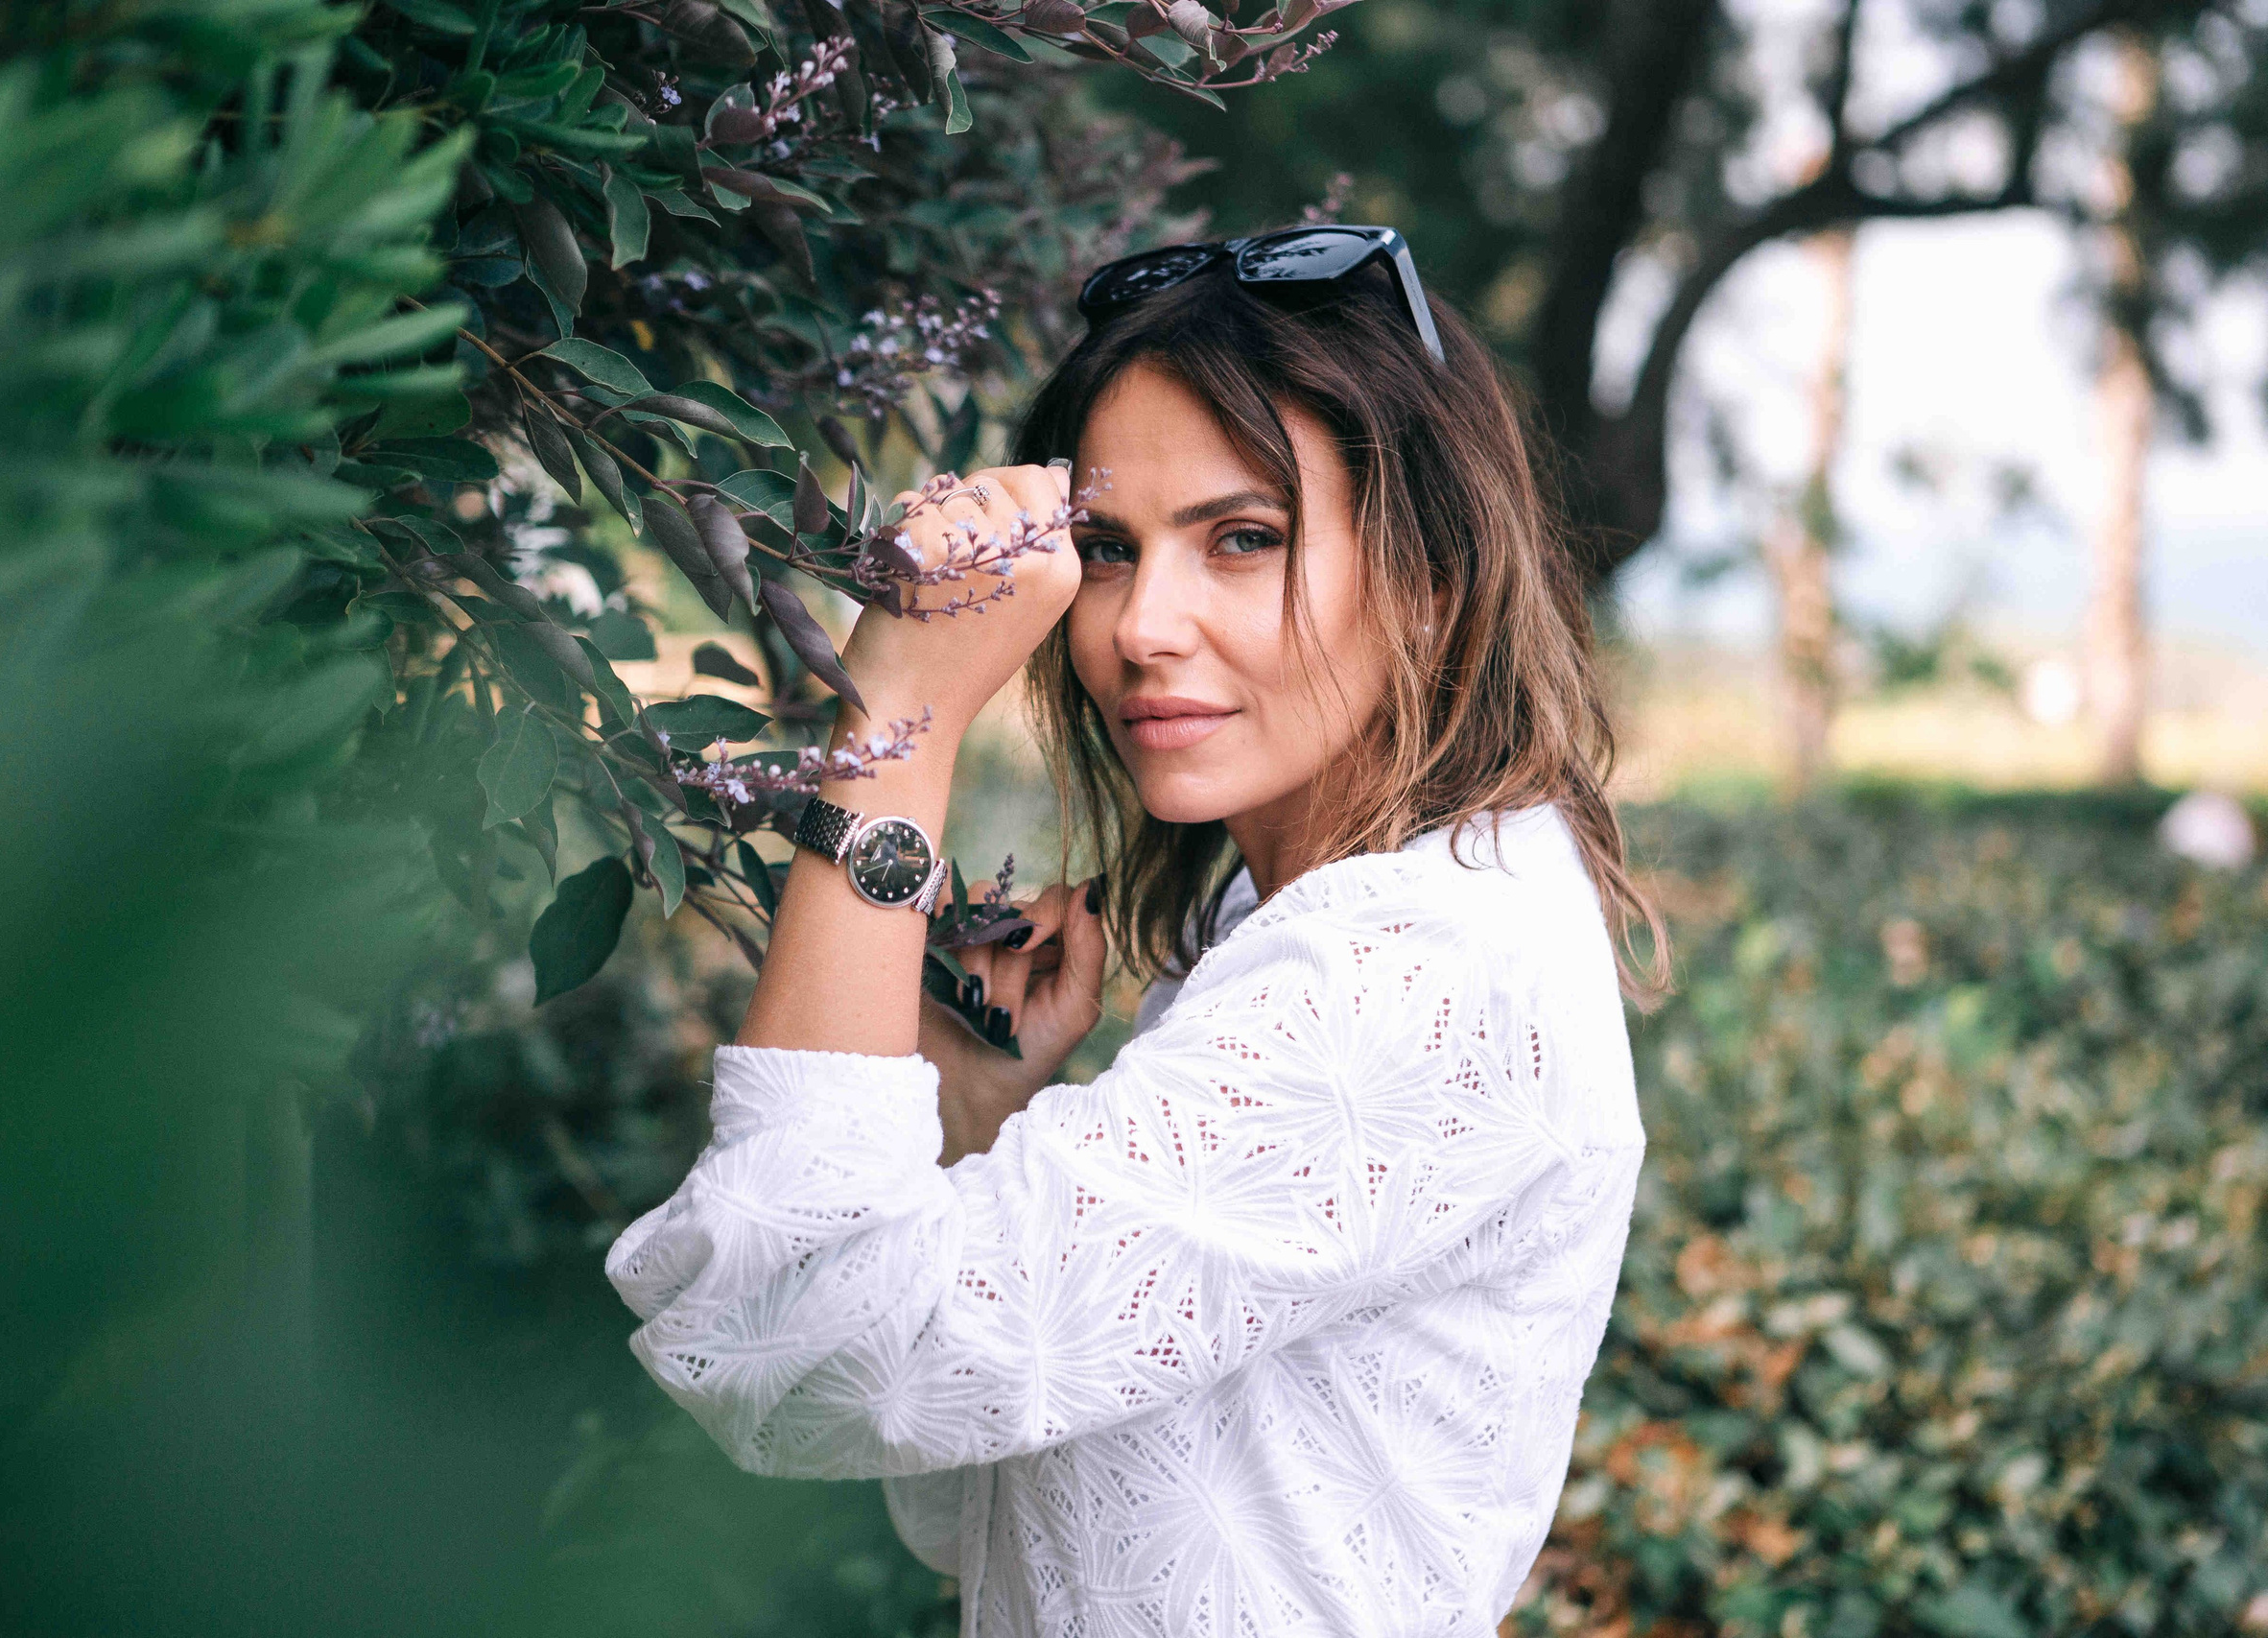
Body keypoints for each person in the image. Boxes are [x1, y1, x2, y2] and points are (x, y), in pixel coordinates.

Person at [607, 226, 1666, 1637]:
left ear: (1432, 577)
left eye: (1243, 539)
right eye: (1106, 550)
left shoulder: (1411, 970)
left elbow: (790, 1341)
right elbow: (974, 1497)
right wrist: (973, 1121)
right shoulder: (1302, 911)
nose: (1140, 627)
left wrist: (895, 719)